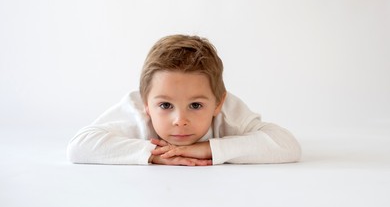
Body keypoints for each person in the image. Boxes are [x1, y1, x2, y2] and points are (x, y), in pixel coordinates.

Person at [67, 35, 301, 166]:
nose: (180, 120)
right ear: (145, 103)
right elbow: (79, 147)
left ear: (217, 103)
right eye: (165, 106)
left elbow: (287, 145)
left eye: (196, 105)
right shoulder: (136, 112)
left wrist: (207, 149)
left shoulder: (228, 111)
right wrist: (153, 155)